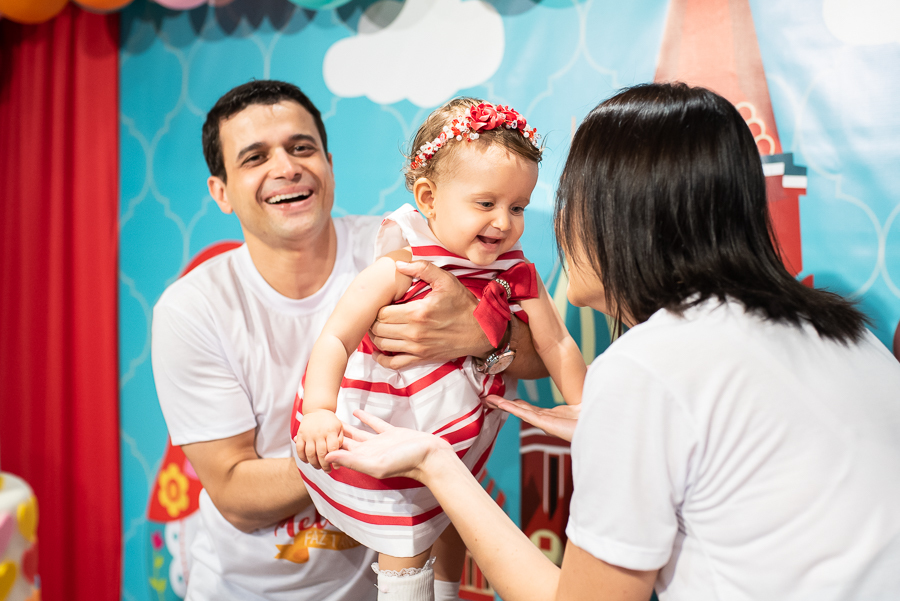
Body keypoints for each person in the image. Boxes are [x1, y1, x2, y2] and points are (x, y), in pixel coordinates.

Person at [324, 82, 900, 601]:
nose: (532, 227)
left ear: (620, 217)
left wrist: (437, 464)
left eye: (557, 203)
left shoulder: (650, 366)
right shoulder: (850, 337)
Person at [151, 80, 545, 601]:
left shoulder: (407, 245)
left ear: (329, 164)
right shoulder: (193, 307)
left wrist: (481, 334)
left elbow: (540, 356)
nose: (286, 167)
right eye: (255, 157)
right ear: (220, 192)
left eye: (301, 147)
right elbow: (234, 494)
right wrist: (372, 455)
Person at [292, 98, 585, 601]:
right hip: (391, 420)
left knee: (454, 515)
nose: (504, 223)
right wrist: (319, 410)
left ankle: (446, 593)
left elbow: (556, 342)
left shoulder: (517, 272)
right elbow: (337, 337)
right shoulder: (401, 265)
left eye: (517, 207)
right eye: (486, 204)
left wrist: (585, 407)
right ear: (428, 198)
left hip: (459, 426)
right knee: (405, 533)